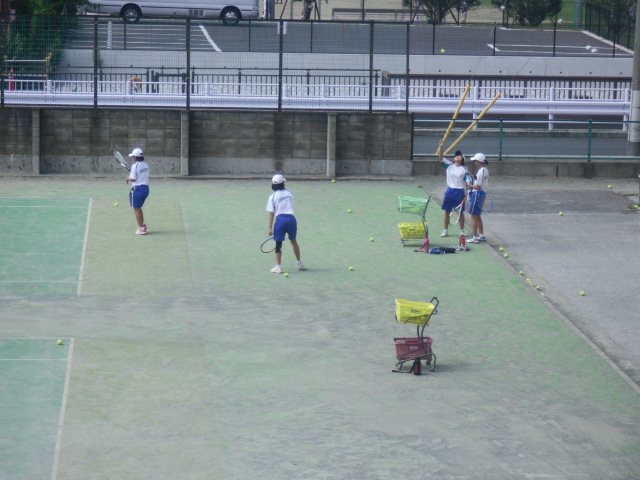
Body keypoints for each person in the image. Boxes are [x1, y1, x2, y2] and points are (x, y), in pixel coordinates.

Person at [266, 174, 304, 274]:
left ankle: (278, 267)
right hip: (291, 220)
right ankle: (299, 263)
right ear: (283, 183)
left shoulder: (272, 197)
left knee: (278, 244)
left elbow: (271, 214)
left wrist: (270, 228)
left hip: (280, 221)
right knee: (294, 241)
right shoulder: (290, 193)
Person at [438, 139, 469, 237]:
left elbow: (467, 181)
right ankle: (445, 230)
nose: (457, 156)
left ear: (462, 159)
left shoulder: (464, 169)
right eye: (456, 155)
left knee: (460, 213)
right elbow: (441, 157)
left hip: (460, 192)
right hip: (450, 191)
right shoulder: (449, 166)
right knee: (447, 211)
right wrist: (441, 146)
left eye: (459, 156)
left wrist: (467, 193)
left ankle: (462, 231)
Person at [125, 148, 150, 235]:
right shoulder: (145, 165)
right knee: (138, 208)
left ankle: (141, 228)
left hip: (138, 189)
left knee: (136, 209)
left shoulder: (134, 166)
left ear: (135, 157)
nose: (132, 158)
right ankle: (142, 225)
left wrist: (127, 178)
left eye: (133, 156)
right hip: (146, 189)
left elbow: (133, 179)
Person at [466, 153, 489, 244]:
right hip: (481, 194)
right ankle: (481, 235)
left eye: (475, 161)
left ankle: (475, 237)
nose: (475, 162)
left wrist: (469, 185)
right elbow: (479, 180)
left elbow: (478, 186)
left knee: (473, 216)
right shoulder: (485, 170)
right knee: (478, 215)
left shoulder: (481, 171)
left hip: (477, 194)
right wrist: (473, 177)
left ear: (479, 161)